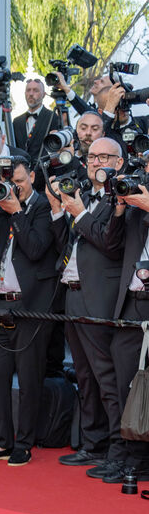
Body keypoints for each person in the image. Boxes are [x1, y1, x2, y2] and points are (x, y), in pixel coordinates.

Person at [47, 137, 126, 477]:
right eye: (92, 156)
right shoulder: (81, 194)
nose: (95, 162)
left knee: (106, 377)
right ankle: (93, 444)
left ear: (119, 163)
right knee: (84, 375)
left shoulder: (120, 196)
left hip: (101, 297)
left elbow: (111, 244)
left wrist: (78, 213)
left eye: (104, 157)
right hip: (72, 293)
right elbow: (68, 244)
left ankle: (118, 449)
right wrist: (61, 210)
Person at [0, 158, 58, 465]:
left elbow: (35, 249)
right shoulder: (0, 205)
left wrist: (17, 212)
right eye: (10, 182)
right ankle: (3, 442)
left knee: (29, 379)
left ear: (32, 176)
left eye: (19, 181)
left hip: (30, 308)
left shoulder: (44, 207)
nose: (14, 187)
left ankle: (24, 443)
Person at [109, 160, 149, 483]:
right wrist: (120, 207)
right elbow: (111, 244)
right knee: (126, 380)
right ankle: (133, 455)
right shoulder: (137, 203)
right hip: (133, 303)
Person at [12, 78, 58, 165]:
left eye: (35, 90)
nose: (31, 94)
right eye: (28, 90)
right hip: (21, 169)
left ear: (44, 95)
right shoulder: (17, 121)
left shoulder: (52, 117)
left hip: (44, 169)